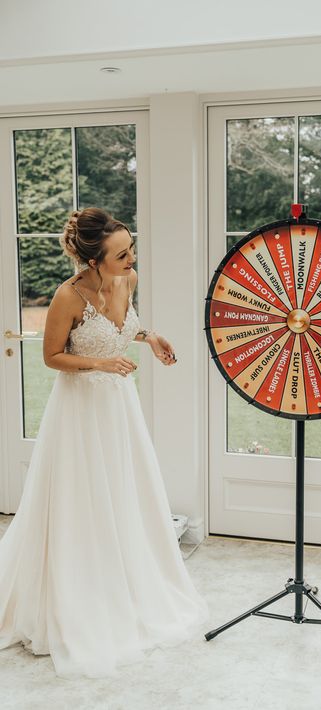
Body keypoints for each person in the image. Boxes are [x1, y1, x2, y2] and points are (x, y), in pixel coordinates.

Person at [0, 207, 210, 679]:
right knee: (82, 499)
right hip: (79, 411)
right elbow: (53, 357)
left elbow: (123, 327)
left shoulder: (126, 281)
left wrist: (151, 338)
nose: (131, 259)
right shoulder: (67, 296)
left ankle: (127, 583)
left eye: (131, 248)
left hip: (118, 408)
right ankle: (76, 594)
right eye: (121, 254)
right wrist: (100, 366)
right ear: (93, 260)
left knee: (123, 493)